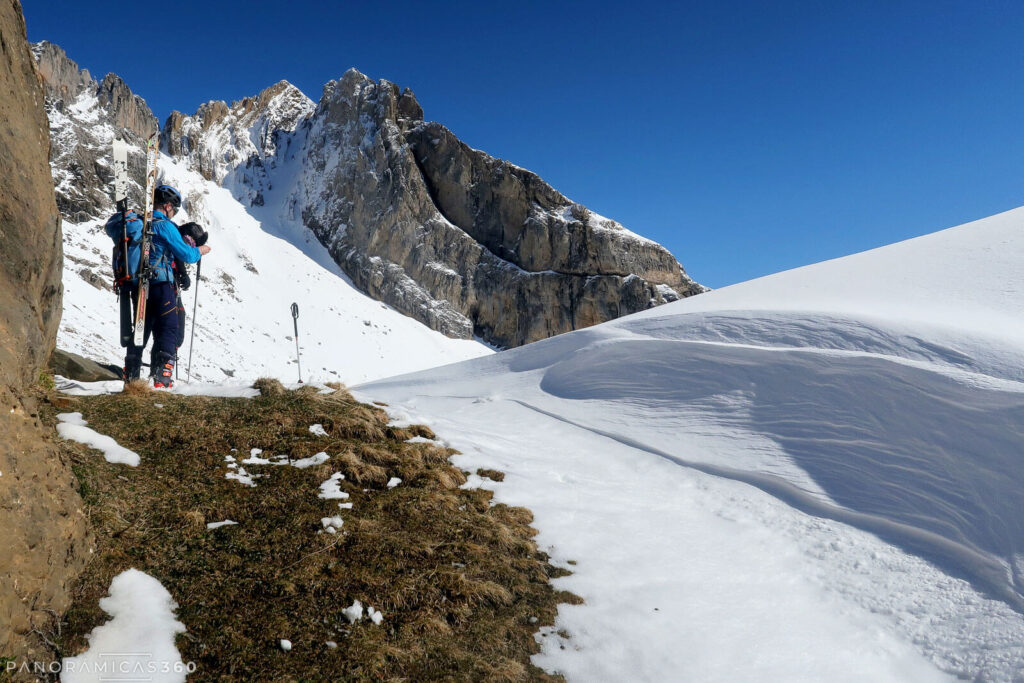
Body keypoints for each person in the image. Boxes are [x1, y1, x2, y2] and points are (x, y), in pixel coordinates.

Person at [106, 185, 211, 388]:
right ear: (168, 205)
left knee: (140, 331)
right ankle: (162, 380)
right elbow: (187, 255)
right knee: (169, 328)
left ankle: (132, 379)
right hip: (161, 285)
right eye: (175, 210)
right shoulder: (164, 225)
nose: (174, 214)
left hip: (138, 287)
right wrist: (202, 250)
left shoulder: (137, 222)